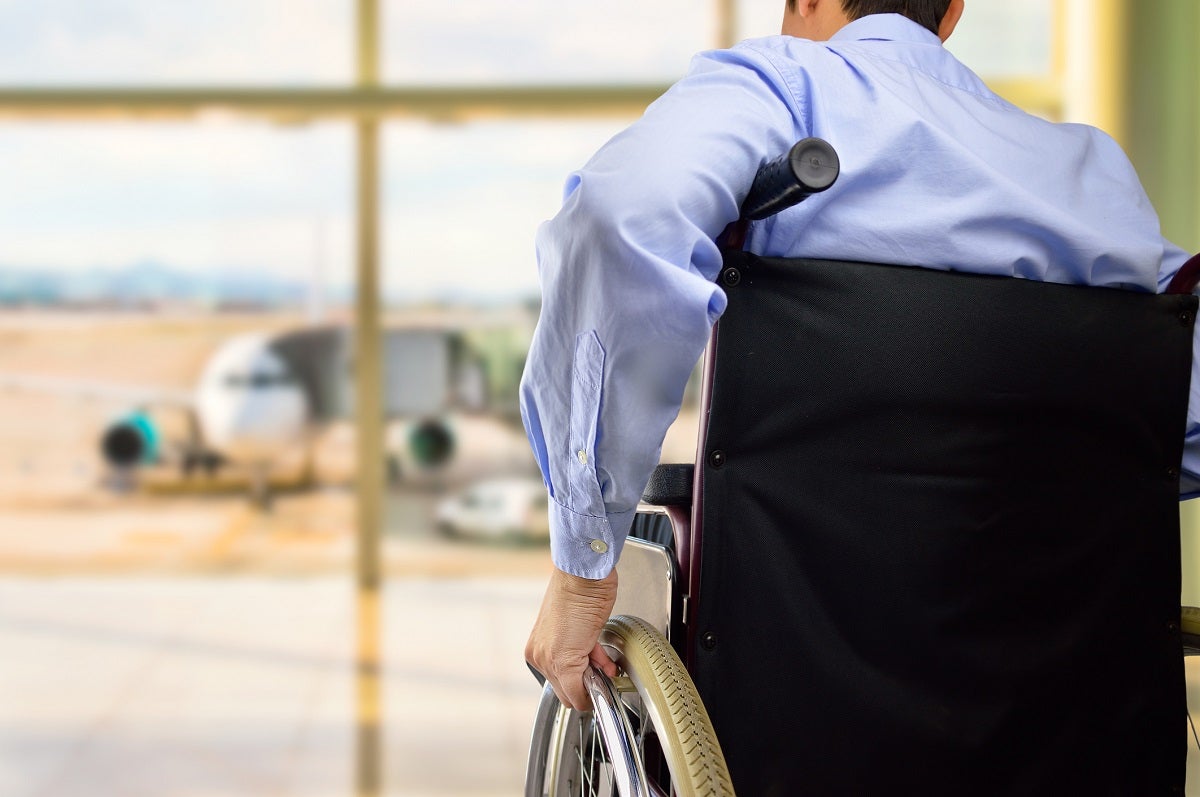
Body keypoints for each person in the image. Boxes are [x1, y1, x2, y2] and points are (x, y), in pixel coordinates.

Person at [521, 0, 1197, 718]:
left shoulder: (781, 89)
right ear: (952, 14)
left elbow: (626, 216)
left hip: (793, 693)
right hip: (1069, 709)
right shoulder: (1091, 176)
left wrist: (584, 563)